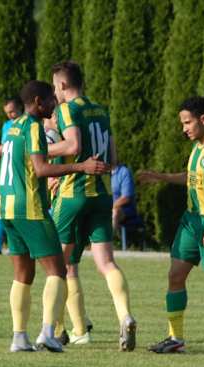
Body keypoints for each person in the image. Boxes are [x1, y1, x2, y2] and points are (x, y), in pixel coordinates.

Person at [0, 79, 111, 353]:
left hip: (7, 208)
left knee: (23, 273)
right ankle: (48, 333)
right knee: (58, 270)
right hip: (30, 208)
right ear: (38, 102)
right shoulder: (34, 126)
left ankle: (18, 337)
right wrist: (81, 166)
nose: (55, 104)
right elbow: (40, 168)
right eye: (50, 99)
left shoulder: (13, 127)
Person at [138, 96, 204, 354]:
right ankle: (175, 339)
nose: (184, 128)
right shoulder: (197, 148)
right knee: (175, 276)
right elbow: (192, 177)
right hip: (191, 222)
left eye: (187, 122)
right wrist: (159, 177)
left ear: (203, 119)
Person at [48, 61, 136, 350]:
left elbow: (72, 146)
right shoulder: (101, 110)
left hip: (73, 193)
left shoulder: (65, 110)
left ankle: (58, 330)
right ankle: (124, 316)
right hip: (102, 194)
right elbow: (113, 157)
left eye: (54, 86)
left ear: (62, 85)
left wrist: (41, 151)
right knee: (106, 262)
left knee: (60, 265)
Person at [0, 97, 23, 254]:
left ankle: (15, 245)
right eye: (7, 113)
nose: (10, 115)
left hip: (18, 172)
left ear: (20, 107)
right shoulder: (7, 125)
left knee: (15, 209)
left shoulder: (27, 124)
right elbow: (2, 147)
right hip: (4, 171)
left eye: (12, 111)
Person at [110, 163, 137, 230]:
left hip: (124, 209)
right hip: (104, 208)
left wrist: (109, 207)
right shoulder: (100, 173)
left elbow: (126, 198)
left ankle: (110, 238)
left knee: (114, 212)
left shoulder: (124, 172)